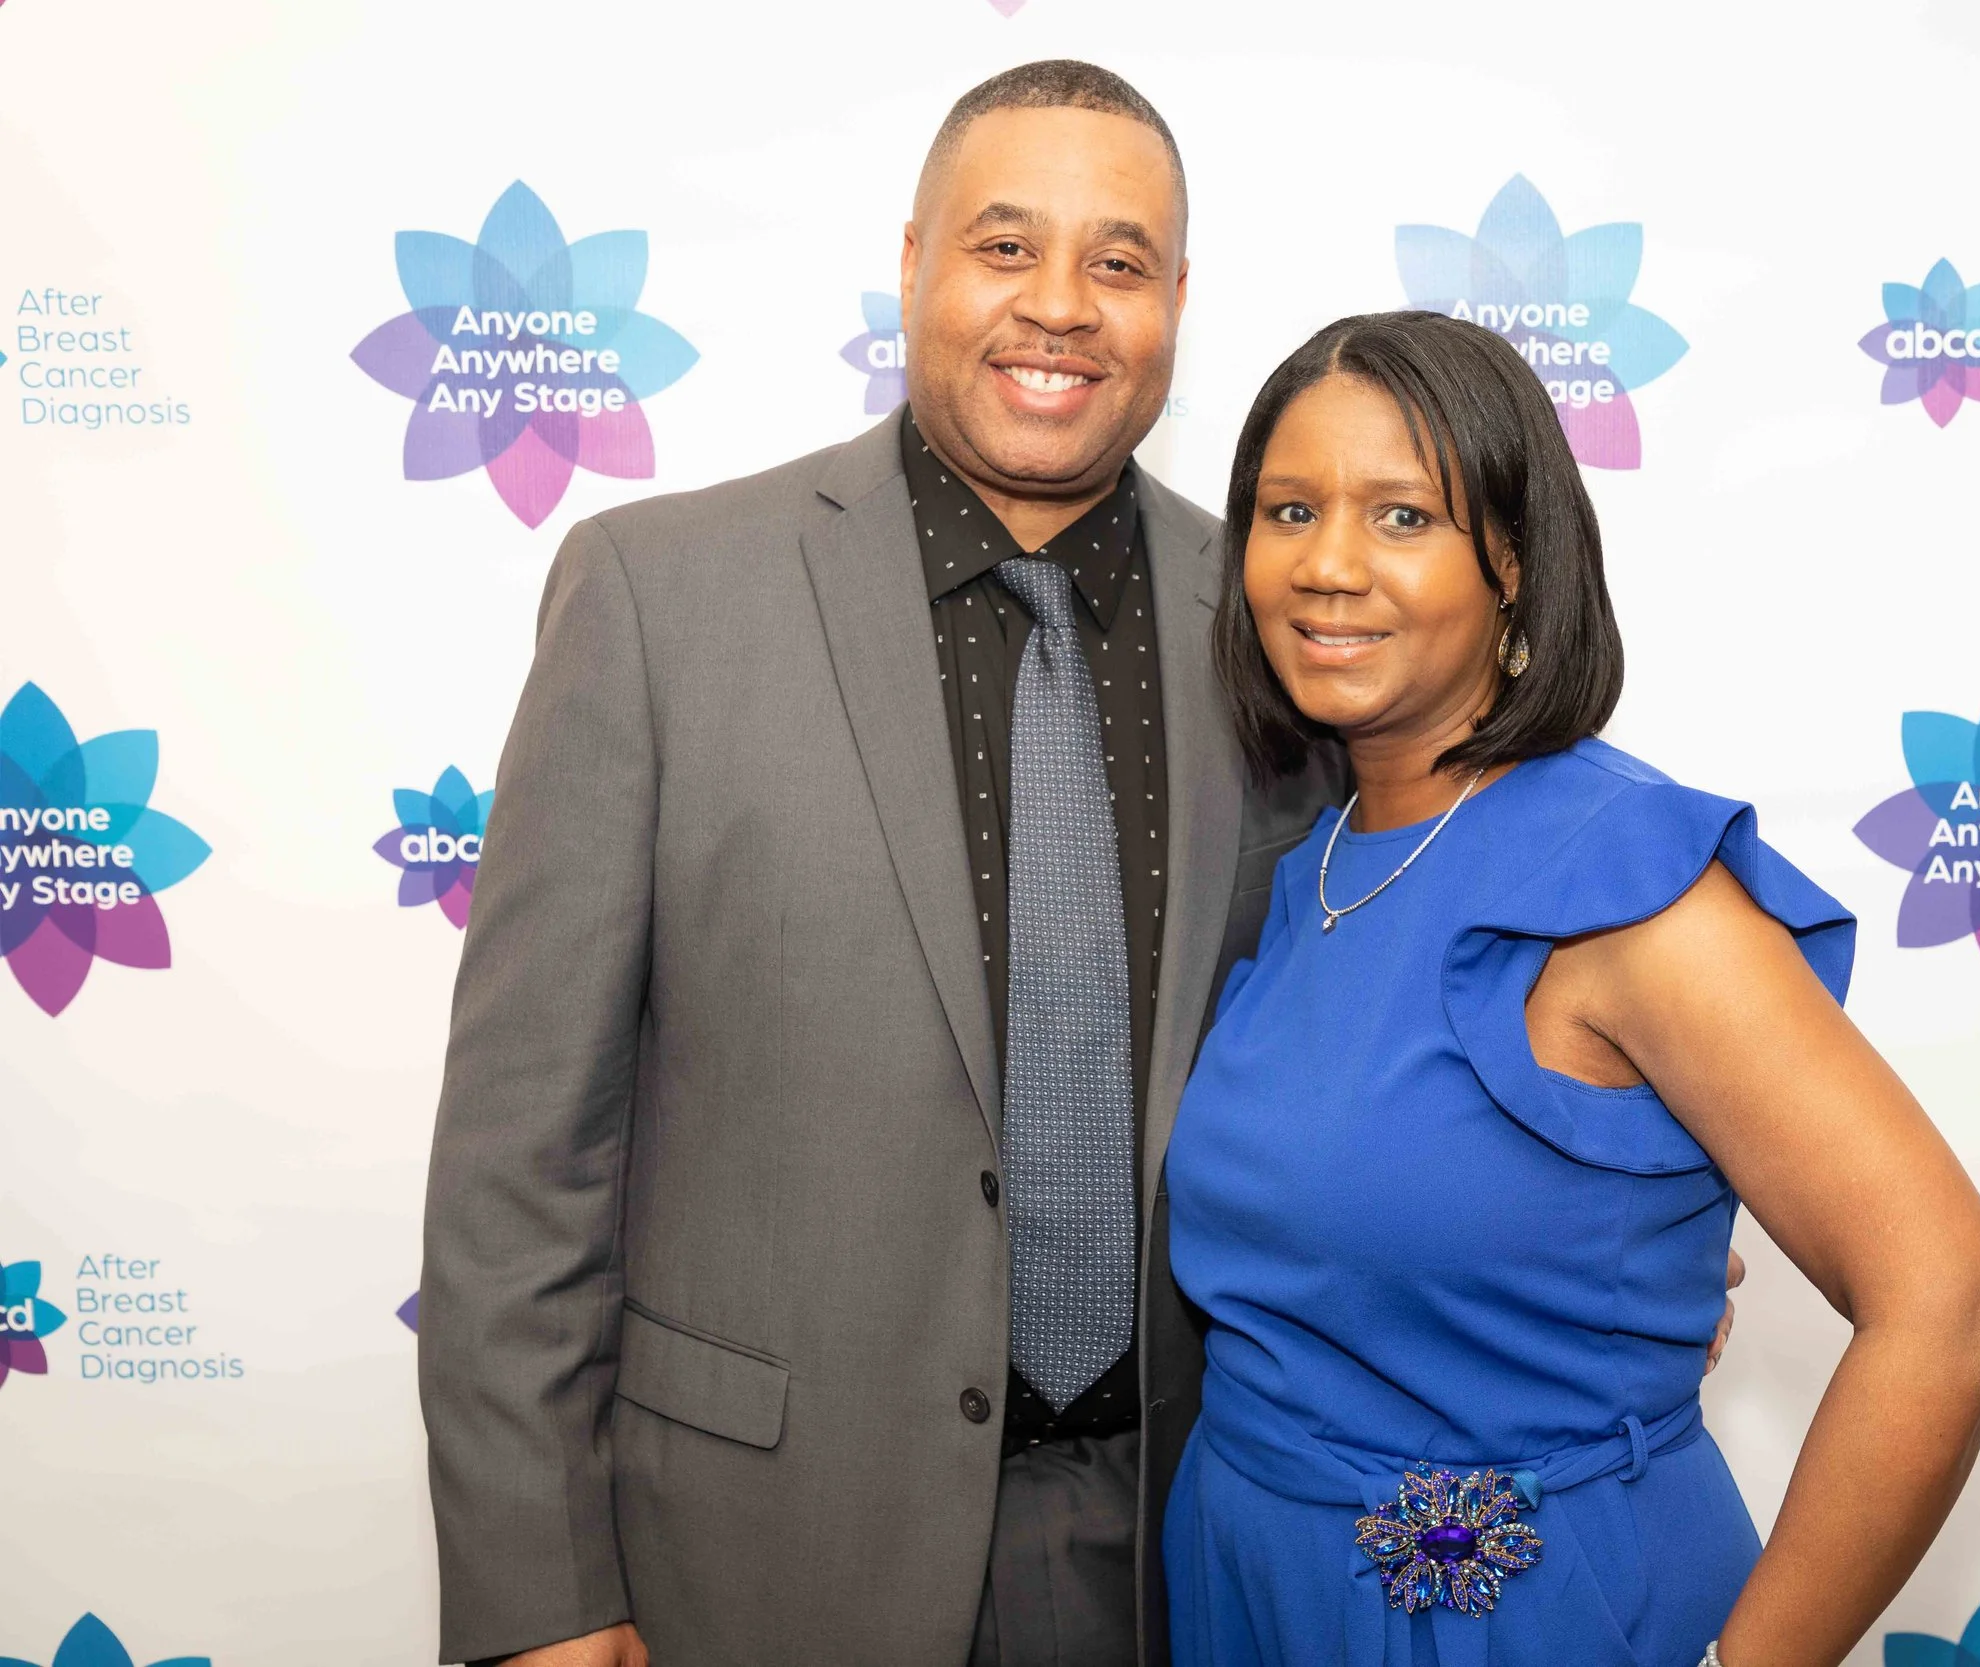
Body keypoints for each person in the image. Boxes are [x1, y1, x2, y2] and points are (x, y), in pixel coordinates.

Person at [416, 63, 1739, 1667]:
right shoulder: (659, 594)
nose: (1060, 305)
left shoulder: (1293, 615)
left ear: (1177, 301)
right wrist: (545, 1593)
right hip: (765, 1546)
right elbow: (522, 1154)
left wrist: (1597, 1244)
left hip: (1187, 1543)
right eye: (1005, 246)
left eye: (1119, 262)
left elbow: (1422, 984)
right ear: (912, 263)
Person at [1161, 311, 1980, 1667]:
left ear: (1513, 562)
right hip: (1248, 1588)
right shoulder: (1317, 861)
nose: (1327, 564)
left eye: (1402, 516)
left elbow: (1953, 1307)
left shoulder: (1626, 881)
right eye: (1290, 510)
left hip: (1518, 1616)